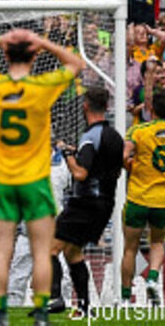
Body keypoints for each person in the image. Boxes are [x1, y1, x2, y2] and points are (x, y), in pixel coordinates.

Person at [0, 29, 83, 326]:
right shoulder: (41, 86)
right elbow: (75, 63)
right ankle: (41, 314)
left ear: (6, 55)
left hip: (3, 180)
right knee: (42, 252)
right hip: (35, 181)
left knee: (1, 250)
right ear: (34, 56)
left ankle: (1, 315)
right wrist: (43, 42)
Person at [49, 86, 123, 314]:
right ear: (107, 106)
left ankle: (55, 298)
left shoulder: (90, 136)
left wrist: (67, 154)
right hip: (105, 204)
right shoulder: (115, 136)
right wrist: (77, 153)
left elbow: (80, 173)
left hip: (85, 202)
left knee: (49, 247)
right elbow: (109, 167)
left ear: (85, 106)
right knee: (73, 252)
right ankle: (84, 306)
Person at [121, 87, 165, 305]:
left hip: (138, 198)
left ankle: (125, 299)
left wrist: (130, 165)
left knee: (130, 248)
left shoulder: (138, 131)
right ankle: (152, 278)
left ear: (151, 108)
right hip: (163, 201)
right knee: (158, 242)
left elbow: (124, 154)